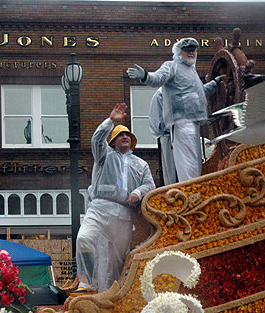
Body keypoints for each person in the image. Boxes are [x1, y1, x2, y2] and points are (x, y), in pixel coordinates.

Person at [72, 103, 155, 295]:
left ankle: (113, 296)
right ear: (113, 141)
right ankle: (85, 283)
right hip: (100, 208)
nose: (125, 137)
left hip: (124, 215)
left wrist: (138, 193)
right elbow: (96, 139)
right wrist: (111, 121)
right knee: (84, 238)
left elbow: (149, 185)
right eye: (120, 135)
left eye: (127, 135)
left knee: (116, 260)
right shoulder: (104, 155)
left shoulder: (140, 164)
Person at [127, 38, 225, 181]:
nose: (191, 52)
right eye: (187, 50)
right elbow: (158, 78)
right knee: (187, 164)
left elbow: (199, 93)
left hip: (194, 123)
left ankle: (193, 187)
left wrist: (214, 84)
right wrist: (146, 76)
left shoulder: (191, 71)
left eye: (193, 50)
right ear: (179, 52)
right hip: (181, 122)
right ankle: (190, 190)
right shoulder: (171, 66)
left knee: (195, 162)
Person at [149, 88, 177, 185]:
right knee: (171, 174)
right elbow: (158, 123)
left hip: (183, 134)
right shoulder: (160, 94)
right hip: (168, 137)